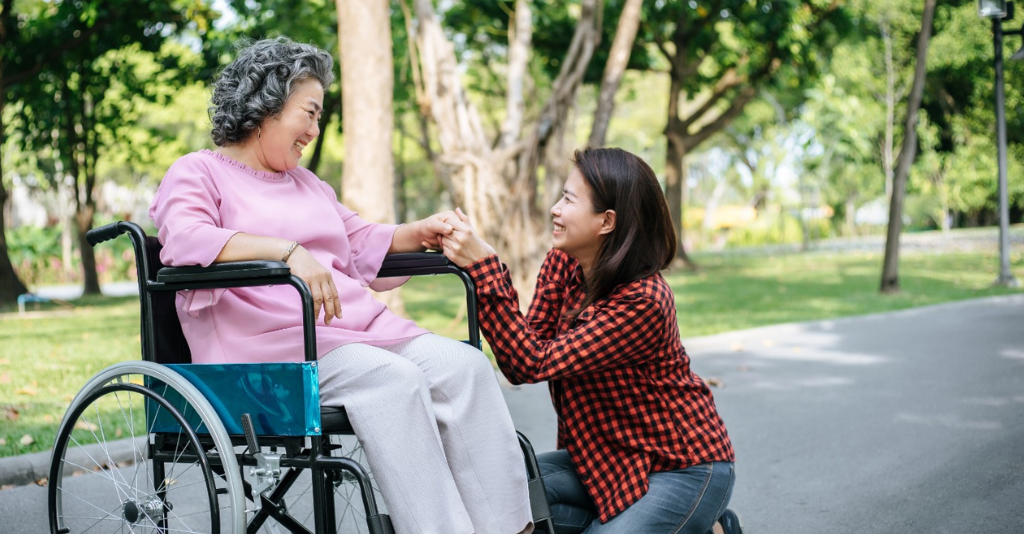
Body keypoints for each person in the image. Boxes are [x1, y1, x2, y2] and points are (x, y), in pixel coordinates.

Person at [149, 37, 532, 534]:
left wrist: (416, 233)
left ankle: (509, 528)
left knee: (464, 366)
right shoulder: (197, 172)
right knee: (393, 380)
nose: (313, 129)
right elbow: (183, 238)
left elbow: (358, 242)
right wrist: (287, 252)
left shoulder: (307, 184)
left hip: (349, 333)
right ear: (265, 105)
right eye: (307, 113)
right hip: (268, 351)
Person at [438, 147, 742, 534]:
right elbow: (519, 360)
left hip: (682, 467)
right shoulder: (563, 263)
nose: (555, 208)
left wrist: (484, 268)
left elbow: (534, 361)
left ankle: (700, 520)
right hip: (605, 460)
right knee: (494, 494)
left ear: (606, 221)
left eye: (568, 199)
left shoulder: (643, 302)